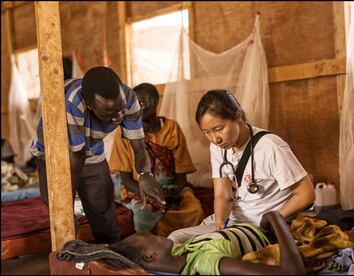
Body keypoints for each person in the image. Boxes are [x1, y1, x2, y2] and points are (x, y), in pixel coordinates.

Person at [30, 67, 165, 244]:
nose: (118, 117)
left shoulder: (129, 99)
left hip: (91, 151)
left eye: (120, 109)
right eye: (110, 113)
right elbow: (76, 156)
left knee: (103, 211)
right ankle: (68, 259)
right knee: (62, 216)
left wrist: (145, 174)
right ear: (91, 106)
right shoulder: (72, 103)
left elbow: (139, 147)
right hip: (53, 155)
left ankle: (112, 254)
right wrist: (67, 208)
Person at [168, 89, 315, 243]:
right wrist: (219, 225)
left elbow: (306, 194)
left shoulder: (270, 147)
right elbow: (222, 194)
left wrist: (274, 219)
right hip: (232, 222)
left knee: (207, 247)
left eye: (219, 129)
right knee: (174, 240)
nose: (214, 139)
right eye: (207, 132)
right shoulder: (218, 147)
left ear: (238, 116)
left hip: (257, 226)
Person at [109, 83, 204, 235]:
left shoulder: (171, 128)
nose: (137, 109)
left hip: (170, 188)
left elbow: (181, 173)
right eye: (133, 105)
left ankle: (185, 248)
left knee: (195, 211)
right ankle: (152, 252)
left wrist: (175, 192)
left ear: (155, 102)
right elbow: (126, 180)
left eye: (142, 103)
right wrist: (151, 195)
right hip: (137, 188)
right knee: (144, 214)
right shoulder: (124, 134)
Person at [110, 210, 305, 275]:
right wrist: (275, 218)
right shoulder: (204, 262)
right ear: (149, 256)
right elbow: (290, 273)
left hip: (259, 226)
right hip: (278, 232)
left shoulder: (181, 249)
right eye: (149, 237)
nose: (155, 234)